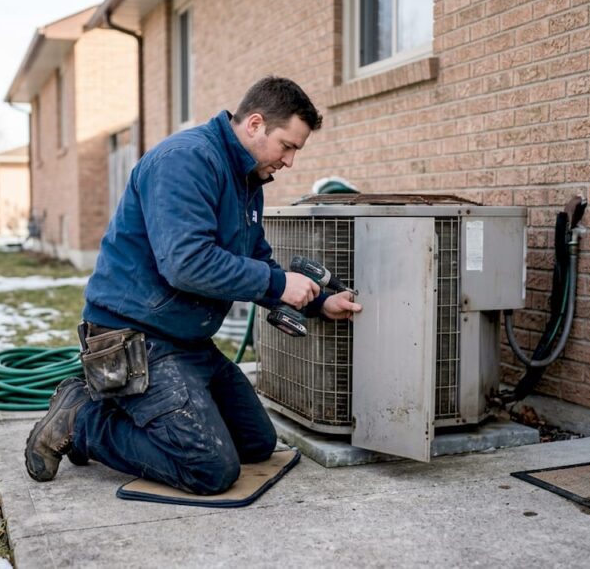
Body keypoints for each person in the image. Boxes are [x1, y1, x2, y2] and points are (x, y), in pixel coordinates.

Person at [25, 76, 362, 494]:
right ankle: (82, 419)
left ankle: (139, 412)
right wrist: (278, 283)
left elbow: (257, 263)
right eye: (287, 146)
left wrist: (320, 303)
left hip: (185, 342)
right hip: (135, 340)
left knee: (256, 444)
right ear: (255, 124)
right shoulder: (185, 160)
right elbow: (186, 264)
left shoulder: (247, 180)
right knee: (209, 469)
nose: (289, 161)